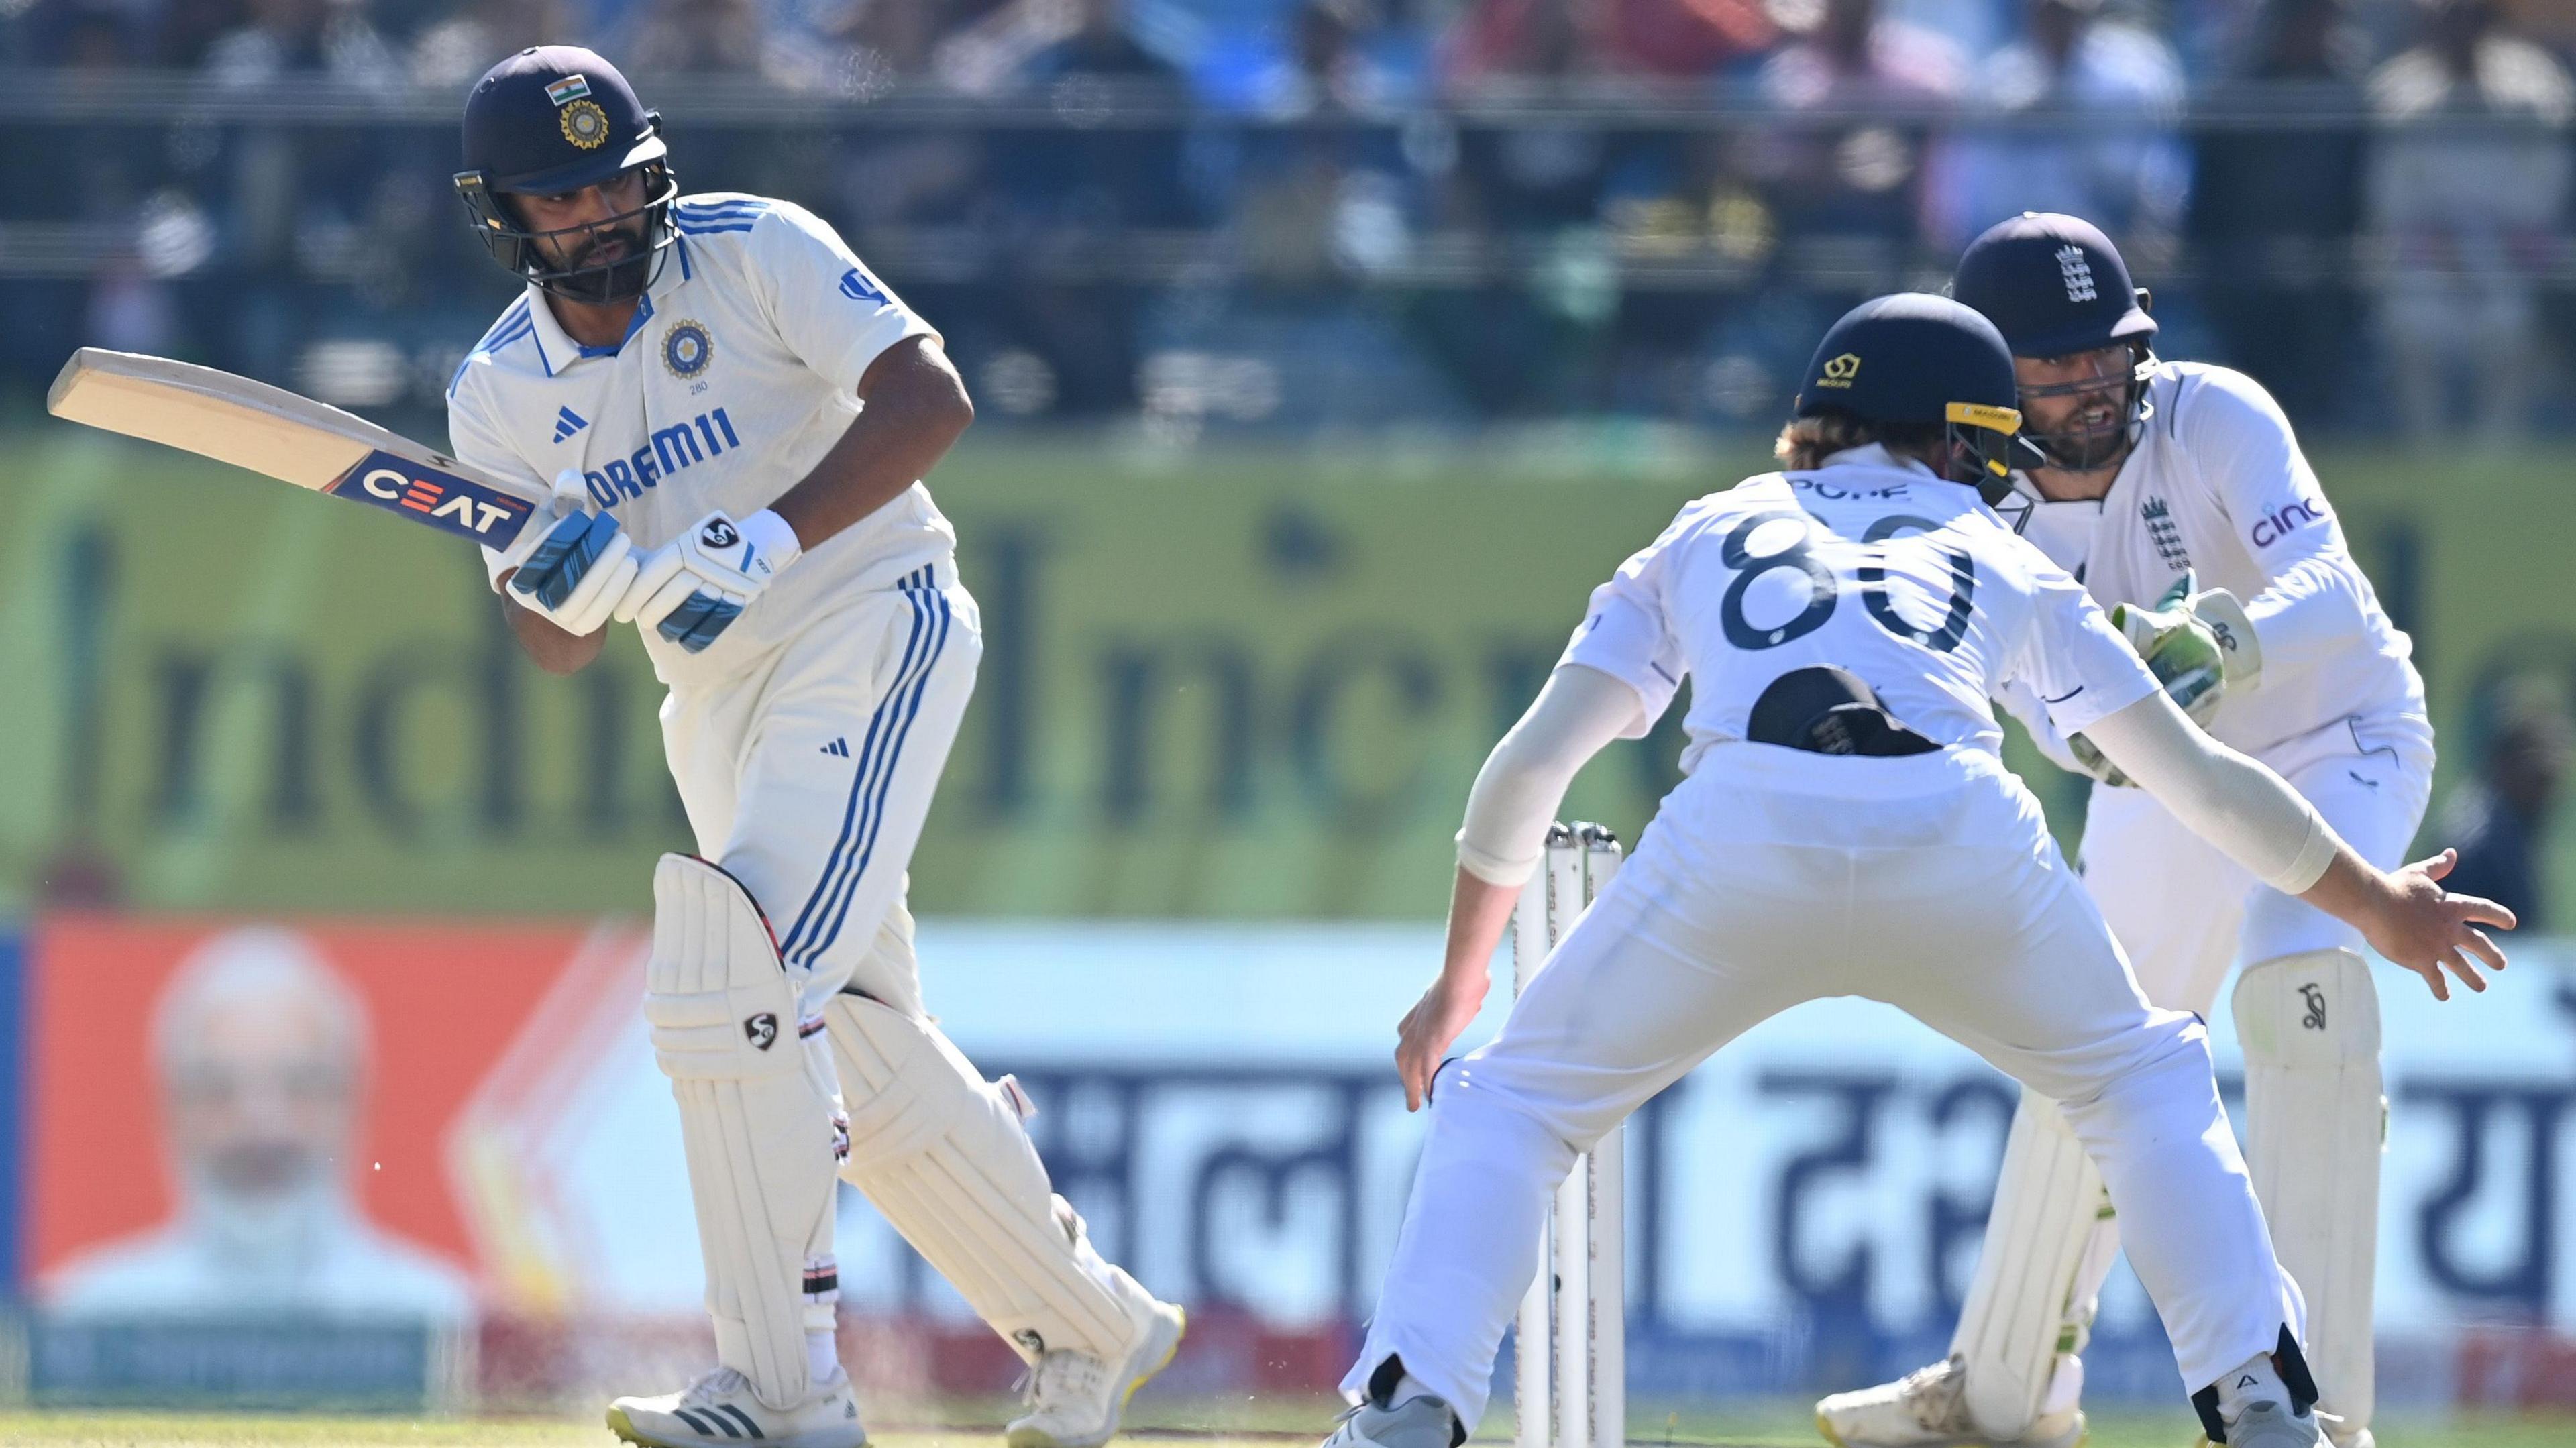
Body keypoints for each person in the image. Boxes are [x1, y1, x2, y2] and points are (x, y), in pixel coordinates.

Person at [1317, 294, 2510, 1448]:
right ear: (1953, 438)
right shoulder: (1998, 544)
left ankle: (1410, 1399)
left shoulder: (1708, 525)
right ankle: (2259, 1389)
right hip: (1955, 831)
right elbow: (2198, 780)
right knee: (2146, 1080)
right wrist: (2376, 900)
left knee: (1510, 1103)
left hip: (1741, 833)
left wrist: (1462, 977)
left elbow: (1527, 768)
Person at [443, 47, 1182, 1448]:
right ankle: (1094, 1323)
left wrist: (773, 529)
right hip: (714, 698)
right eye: (562, 196)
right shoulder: (497, 393)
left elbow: (931, 395)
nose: (598, 211)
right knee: (848, 1037)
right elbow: (553, 646)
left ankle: (783, 1390)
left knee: (741, 977)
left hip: (870, 614)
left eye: (616, 178)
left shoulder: (755, 246)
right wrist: (564, 584)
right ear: (507, 216)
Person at [1818, 212, 2434, 1448]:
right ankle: (2000, 1393)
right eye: (2057, 365)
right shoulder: (1966, 513)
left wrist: (2222, 639)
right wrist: (2106, 729)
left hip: (2338, 742)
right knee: (2090, 1044)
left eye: (2110, 352)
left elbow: (2341, 596)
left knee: (2297, 982)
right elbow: (2057, 731)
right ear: (1995, 379)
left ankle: (2328, 1411)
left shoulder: (2216, 413)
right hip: (2162, 784)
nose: (2095, 382)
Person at [46, 928, 474, 1325]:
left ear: (353, 1103)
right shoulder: (85, 1321)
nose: (261, 1126)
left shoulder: (444, 1323)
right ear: (168, 1111)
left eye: (300, 1085)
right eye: (219, 1089)